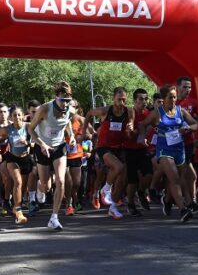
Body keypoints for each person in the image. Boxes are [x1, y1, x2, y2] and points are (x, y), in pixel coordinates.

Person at [139, 84, 198, 221]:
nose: (173, 100)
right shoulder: (157, 113)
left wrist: (188, 128)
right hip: (164, 150)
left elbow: (195, 123)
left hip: (179, 149)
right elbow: (143, 124)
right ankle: (183, 209)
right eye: (170, 97)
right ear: (164, 99)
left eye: (175, 97)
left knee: (180, 179)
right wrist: (143, 136)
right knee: (174, 178)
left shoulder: (181, 111)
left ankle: (166, 200)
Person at [28, 81, 77, 231]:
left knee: (61, 181)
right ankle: (39, 188)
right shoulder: (44, 109)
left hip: (59, 147)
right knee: (46, 185)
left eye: (68, 101)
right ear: (56, 97)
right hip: (43, 148)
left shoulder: (70, 110)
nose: (65, 104)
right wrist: (42, 144)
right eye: (63, 100)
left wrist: (72, 136)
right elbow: (31, 129)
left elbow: (67, 123)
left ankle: (54, 218)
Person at [86, 87, 134, 220]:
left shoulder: (129, 111)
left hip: (119, 147)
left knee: (122, 179)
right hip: (104, 147)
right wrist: (85, 132)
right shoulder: (106, 110)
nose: (122, 102)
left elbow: (130, 132)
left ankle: (112, 208)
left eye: (124, 99)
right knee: (116, 168)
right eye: (119, 99)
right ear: (113, 99)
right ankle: (104, 190)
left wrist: (131, 129)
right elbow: (89, 113)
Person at [0, 106, 33, 225]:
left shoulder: (28, 126)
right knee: (17, 182)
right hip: (12, 158)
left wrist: (27, 143)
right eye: (14, 115)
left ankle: (16, 205)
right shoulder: (7, 129)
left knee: (22, 187)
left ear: (22, 116)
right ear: (11, 117)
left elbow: (35, 141)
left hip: (25, 158)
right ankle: (18, 211)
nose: (17, 117)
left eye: (19, 115)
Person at [176, 76, 198, 211]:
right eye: (185, 87)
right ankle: (188, 201)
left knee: (190, 175)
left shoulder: (193, 102)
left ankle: (187, 200)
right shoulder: (171, 102)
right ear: (177, 87)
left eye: (189, 87)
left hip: (188, 142)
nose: (188, 90)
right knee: (186, 174)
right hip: (174, 144)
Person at [124, 88, 154, 216]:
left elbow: (151, 127)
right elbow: (129, 135)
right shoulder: (131, 113)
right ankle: (130, 204)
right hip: (129, 149)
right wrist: (134, 132)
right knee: (132, 180)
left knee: (149, 174)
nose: (144, 101)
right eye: (141, 99)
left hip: (143, 149)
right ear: (135, 101)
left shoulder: (148, 113)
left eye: (146, 98)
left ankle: (141, 192)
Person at [64, 100, 87, 216]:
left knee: (76, 183)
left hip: (76, 154)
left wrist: (81, 137)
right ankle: (69, 204)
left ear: (77, 108)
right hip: (63, 155)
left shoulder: (80, 120)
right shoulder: (61, 120)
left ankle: (73, 199)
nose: (71, 108)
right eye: (69, 106)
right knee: (67, 180)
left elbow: (90, 134)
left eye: (73, 106)